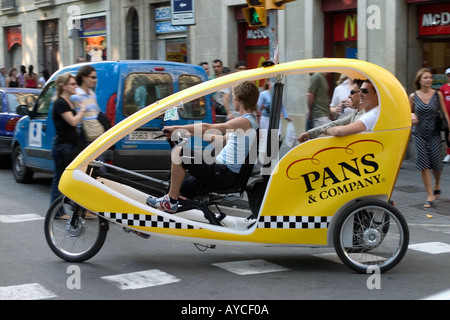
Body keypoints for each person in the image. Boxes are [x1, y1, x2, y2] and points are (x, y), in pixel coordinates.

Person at [146, 81, 260, 213]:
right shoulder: (249, 122)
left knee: (179, 152)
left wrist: (176, 127)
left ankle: (170, 202)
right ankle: (164, 210)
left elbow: (210, 127)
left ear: (238, 99)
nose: (232, 100)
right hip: (221, 172)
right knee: (179, 188)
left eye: (233, 97)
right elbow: (222, 140)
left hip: (223, 174)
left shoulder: (245, 121)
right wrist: (192, 133)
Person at [410, 68, 450, 208]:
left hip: (434, 133)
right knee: (423, 164)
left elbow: (444, 113)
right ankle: (429, 194)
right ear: (419, 80)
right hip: (419, 134)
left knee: (437, 165)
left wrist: (449, 129)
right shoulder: (413, 96)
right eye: (426, 77)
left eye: (430, 78)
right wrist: (412, 116)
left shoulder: (437, 95)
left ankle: (437, 183)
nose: (429, 80)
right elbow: (408, 113)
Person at [50, 73, 86, 212]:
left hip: (70, 145)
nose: (75, 86)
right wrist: (82, 110)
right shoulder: (60, 103)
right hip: (63, 146)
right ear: (63, 86)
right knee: (60, 179)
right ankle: (57, 211)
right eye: (72, 84)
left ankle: (77, 209)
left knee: (72, 178)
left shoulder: (70, 101)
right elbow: (73, 121)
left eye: (75, 83)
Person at [298, 79, 365, 143]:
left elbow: (339, 131)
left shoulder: (367, 114)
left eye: (352, 92)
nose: (349, 96)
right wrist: (310, 133)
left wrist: (328, 131)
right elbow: (337, 123)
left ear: (361, 94)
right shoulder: (356, 112)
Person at [70, 65, 102, 145]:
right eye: (93, 77)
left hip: (95, 133)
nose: (95, 80)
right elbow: (77, 118)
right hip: (85, 136)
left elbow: (96, 112)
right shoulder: (75, 95)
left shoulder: (91, 93)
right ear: (84, 77)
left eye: (96, 77)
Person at [257, 80, 291, 156]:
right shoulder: (263, 94)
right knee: (265, 139)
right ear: (268, 83)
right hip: (265, 119)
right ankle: (263, 158)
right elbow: (258, 106)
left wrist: (286, 116)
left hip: (276, 119)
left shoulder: (278, 94)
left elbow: (281, 106)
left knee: (275, 138)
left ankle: (272, 157)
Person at [439, 68, 450, 163]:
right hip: (447, 115)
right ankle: (448, 153)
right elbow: (440, 101)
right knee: (447, 134)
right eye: (449, 75)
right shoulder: (443, 88)